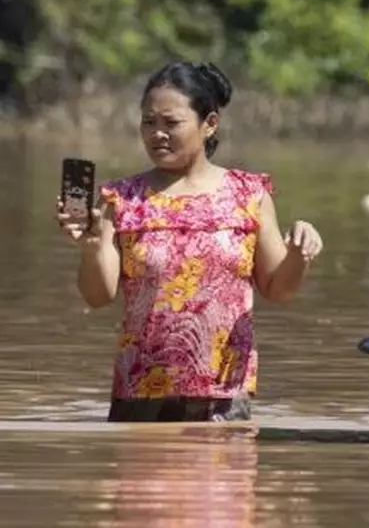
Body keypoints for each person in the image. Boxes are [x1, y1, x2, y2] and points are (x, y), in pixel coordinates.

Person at [55, 62, 324, 423]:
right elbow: (97, 295)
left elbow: (279, 289)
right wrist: (90, 248)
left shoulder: (248, 195)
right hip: (140, 393)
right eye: (149, 122)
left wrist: (299, 253)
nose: (157, 134)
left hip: (224, 396)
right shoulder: (122, 199)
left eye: (171, 123)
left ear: (209, 123)